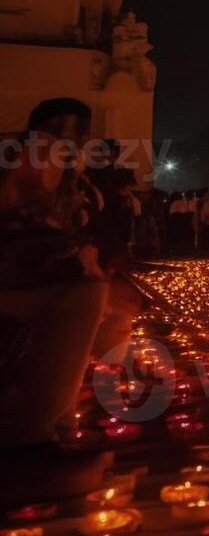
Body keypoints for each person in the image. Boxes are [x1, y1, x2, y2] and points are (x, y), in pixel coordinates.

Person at [0, 98, 142, 502]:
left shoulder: (65, 168)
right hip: (15, 273)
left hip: (29, 270)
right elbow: (21, 218)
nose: (85, 139)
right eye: (81, 130)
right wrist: (75, 255)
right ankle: (30, 440)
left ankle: (59, 419)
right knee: (85, 295)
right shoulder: (39, 151)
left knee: (116, 305)